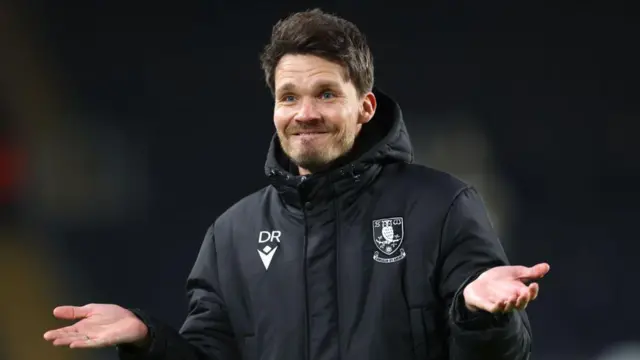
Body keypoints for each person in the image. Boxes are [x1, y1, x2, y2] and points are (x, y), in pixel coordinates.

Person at [43, 8, 549, 360]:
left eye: (326, 93)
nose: (305, 114)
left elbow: (503, 355)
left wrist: (480, 315)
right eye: (289, 97)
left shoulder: (443, 207)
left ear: (364, 107)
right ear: (274, 109)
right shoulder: (232, 236)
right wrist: (146, 339)